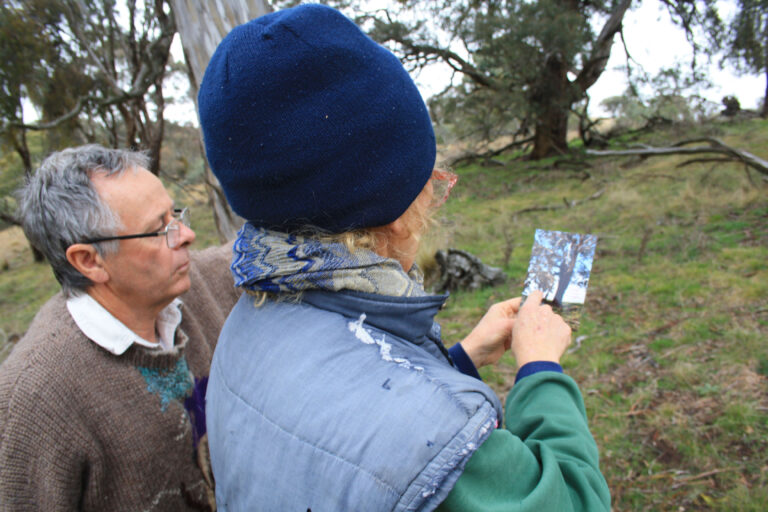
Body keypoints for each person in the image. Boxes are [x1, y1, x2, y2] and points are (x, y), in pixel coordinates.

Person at [198, 4, 611, 511]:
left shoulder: (242, 329)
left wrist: (459, 359)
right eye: (431, 184)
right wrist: (541, 371)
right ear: (393, 212)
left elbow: (339, 440)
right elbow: (572, 502)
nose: (433, 200)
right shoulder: (437, 448)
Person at [0, 145, 240, 511]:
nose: (186, 235)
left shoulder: (198, 284)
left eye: (174, 215)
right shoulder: (33, 399)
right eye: (157, 230)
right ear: (88, 261)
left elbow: (255, 251)